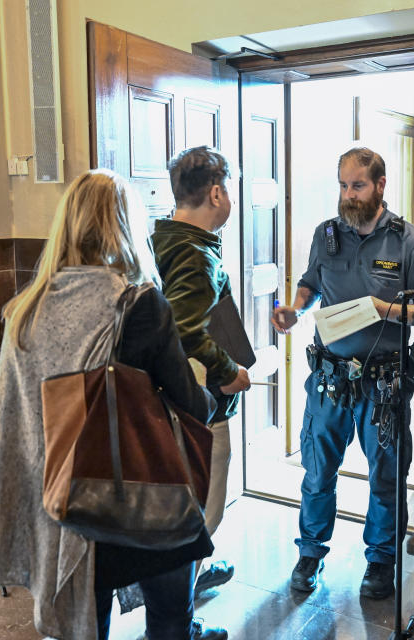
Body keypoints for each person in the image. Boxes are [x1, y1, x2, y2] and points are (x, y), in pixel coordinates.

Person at [0, 169, 227, 640]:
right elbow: (190, 406)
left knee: (88, 627)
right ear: (126, 226)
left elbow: (18, 420)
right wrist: (213, 389)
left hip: (64, 508)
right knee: (169, 618)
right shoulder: (140, 305)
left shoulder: (24, 310)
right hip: (139, 500)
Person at [272, 147, 414, 597]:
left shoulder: (410, 241)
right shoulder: (325, 234)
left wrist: (384, 310)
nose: (348, 195)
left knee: (386, 478)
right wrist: (295, 309)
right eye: (343, 185)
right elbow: (311, 283)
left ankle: (381, 562)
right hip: (329, 380)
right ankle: (310, 553)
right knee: (316, 473)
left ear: (381, 185)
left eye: (358, 185)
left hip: (382, 386)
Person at [151, 146, 250, 595]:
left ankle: (183, 584)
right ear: (215, 193)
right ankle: (181, 603)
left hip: (171, 398)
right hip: (202, 404)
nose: (229, 197)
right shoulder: (195, 254)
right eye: (227, 189)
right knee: (204, 509)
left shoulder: (164, 241)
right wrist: (229, 371)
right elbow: (186, 330)